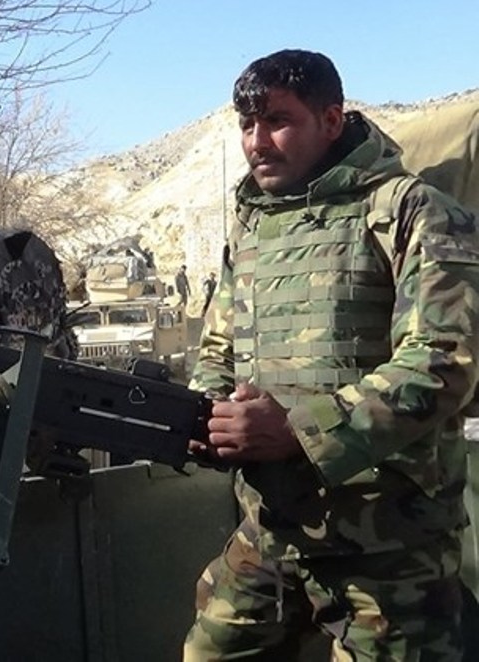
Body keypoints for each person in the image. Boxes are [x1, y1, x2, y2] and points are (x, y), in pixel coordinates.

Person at [184, 49, 479, 660]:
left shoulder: (409, 210)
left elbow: (444, 359)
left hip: (388, 544)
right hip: (271, 528)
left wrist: (299, 431)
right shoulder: (254, 224)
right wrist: (205, 414)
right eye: (247, 125)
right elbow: (218, 349)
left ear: (331, 120)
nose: (257, 142)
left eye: (278, 121)